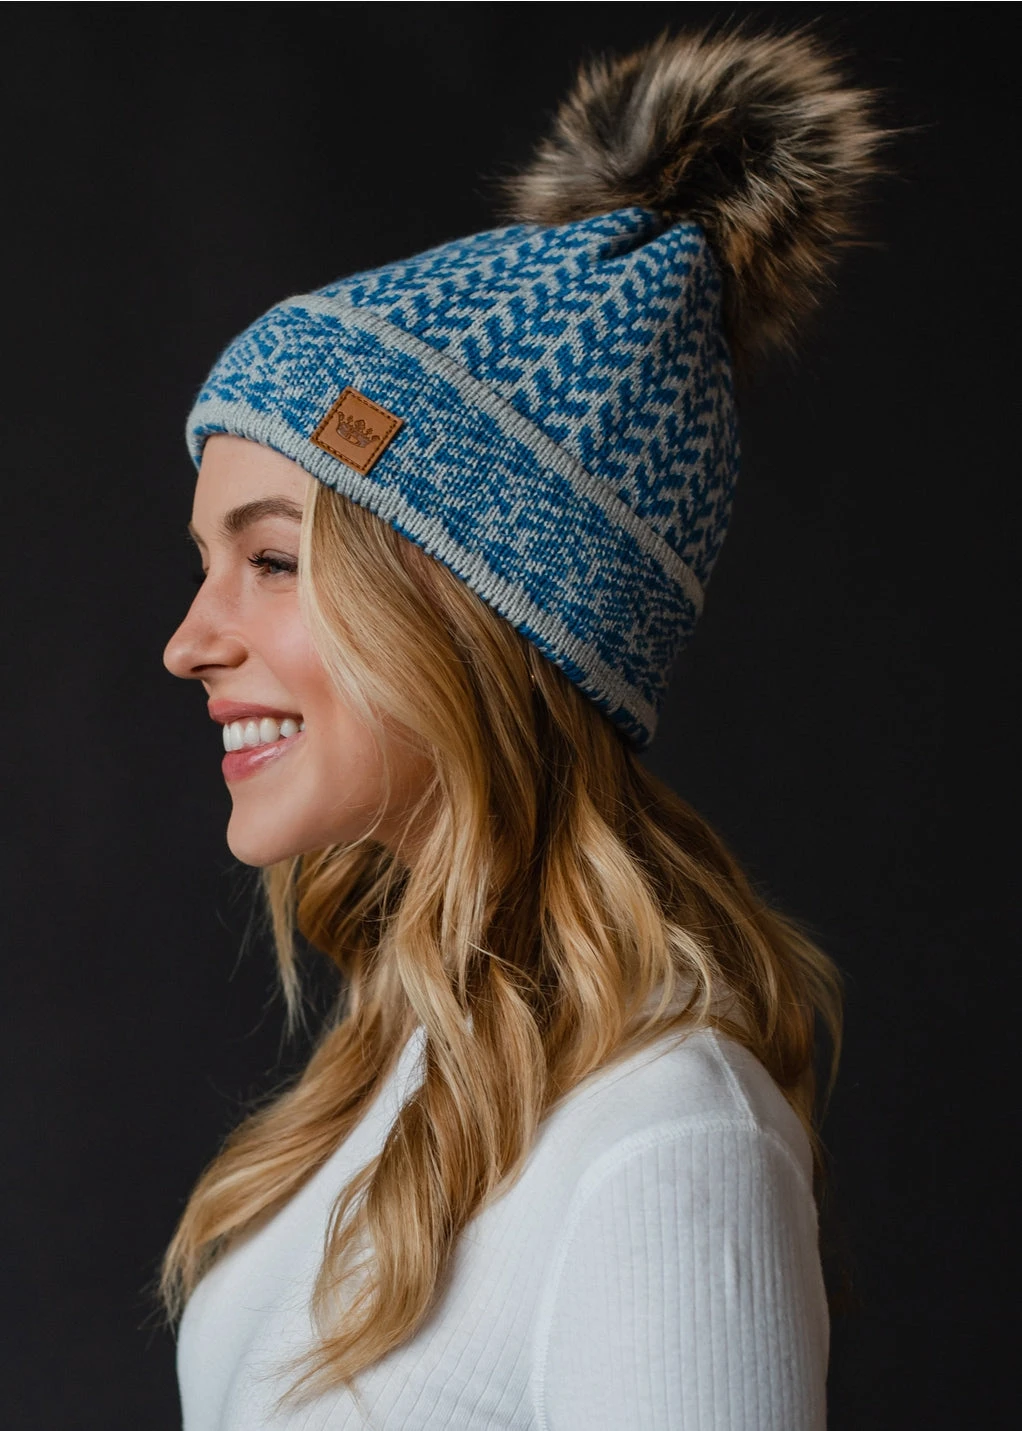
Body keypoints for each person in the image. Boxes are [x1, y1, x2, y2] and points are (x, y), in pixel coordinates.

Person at [161, 26, 879, 1431]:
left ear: (472, 610)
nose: (189, 641)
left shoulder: (664, 1145)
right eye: (205, 562)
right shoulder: (392, 1079)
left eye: (273, 559)